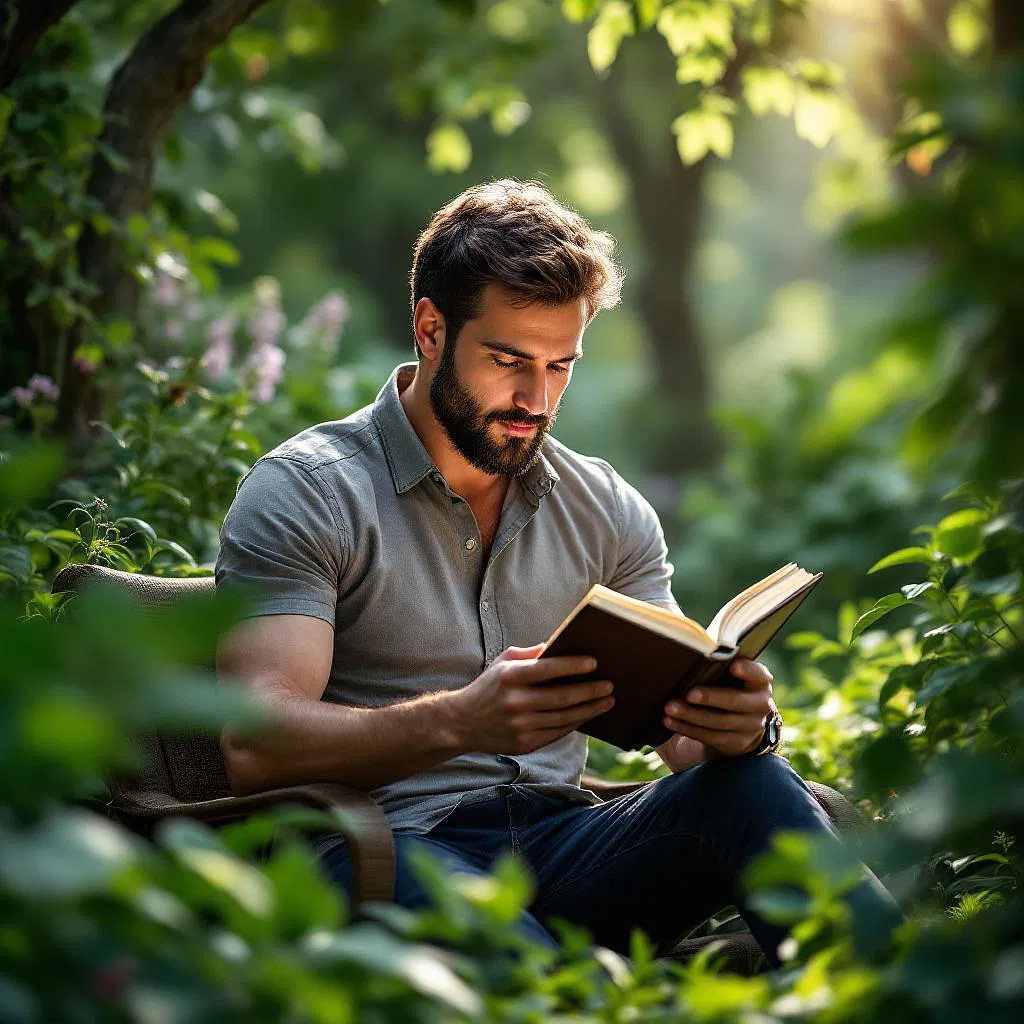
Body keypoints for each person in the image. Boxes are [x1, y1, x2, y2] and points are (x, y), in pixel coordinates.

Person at [214, 179, 901, 965]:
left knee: (756, 787)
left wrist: (734, 727)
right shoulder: (309, 491)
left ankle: (905, 999)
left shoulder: (605, 507)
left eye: (560, 365)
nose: (535, 399)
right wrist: (459, 722)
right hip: (387, 845)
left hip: (567, 842)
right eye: (508, 360)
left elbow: (676, 740)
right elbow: (253, 743)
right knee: (562, 986)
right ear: (431, 330)